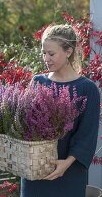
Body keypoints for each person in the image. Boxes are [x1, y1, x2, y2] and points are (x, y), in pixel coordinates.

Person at [20, 24, 100, 197]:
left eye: (51, 54)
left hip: (69, 173)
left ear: (68, 51)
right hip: (35, 172)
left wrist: (66, 164)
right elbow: (25, 123)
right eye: (43, 53)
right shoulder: (37, 82)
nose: (46, 58)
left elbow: (87, 134)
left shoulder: (88, 89)